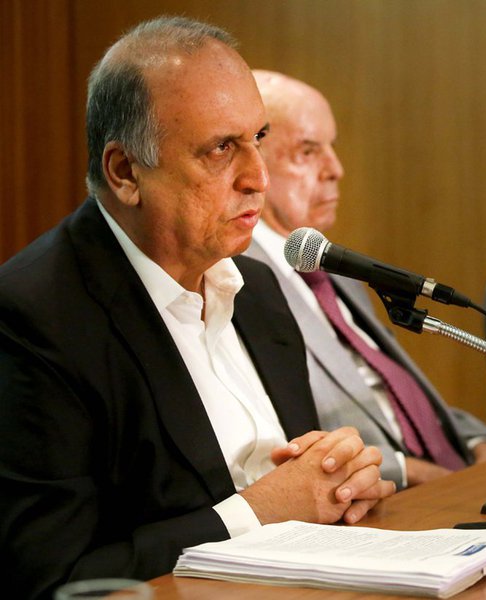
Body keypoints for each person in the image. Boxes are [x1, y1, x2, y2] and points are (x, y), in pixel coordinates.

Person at [0, 17, 394, 599]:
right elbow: (51, 578)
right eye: (220, 149)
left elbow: (299, 488)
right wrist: (257, 513)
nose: (257, 178)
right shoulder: (35, 316)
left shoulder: (258, 291)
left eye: (257, 138)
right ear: (125, 171)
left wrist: (340, 480)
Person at [245, 70, 486, 489]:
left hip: (451, 478)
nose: (336, 169)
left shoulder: (332, 267)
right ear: (251, 161)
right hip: (377, 501)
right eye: (309, 151)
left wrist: (476, 443)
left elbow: (395, 393)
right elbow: (279, 441)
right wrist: (407, 471)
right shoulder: (237, 281)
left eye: (333, 148)